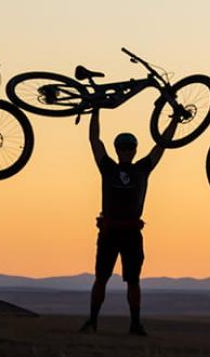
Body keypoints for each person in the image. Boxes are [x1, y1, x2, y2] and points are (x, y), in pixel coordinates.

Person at [79, 109, 178, 335]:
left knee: (133, 280)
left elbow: (161, 145)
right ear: (117, 149)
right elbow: (94, 140)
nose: (125, 151)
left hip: (131, 233)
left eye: (128, 147)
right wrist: (95, 109)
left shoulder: (142, 169)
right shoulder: (108, 168)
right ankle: (92, 321)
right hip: (110, 231)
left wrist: (174, 121)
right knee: (101, 278)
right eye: (122, 147)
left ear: (134, 150)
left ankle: (135, 324)